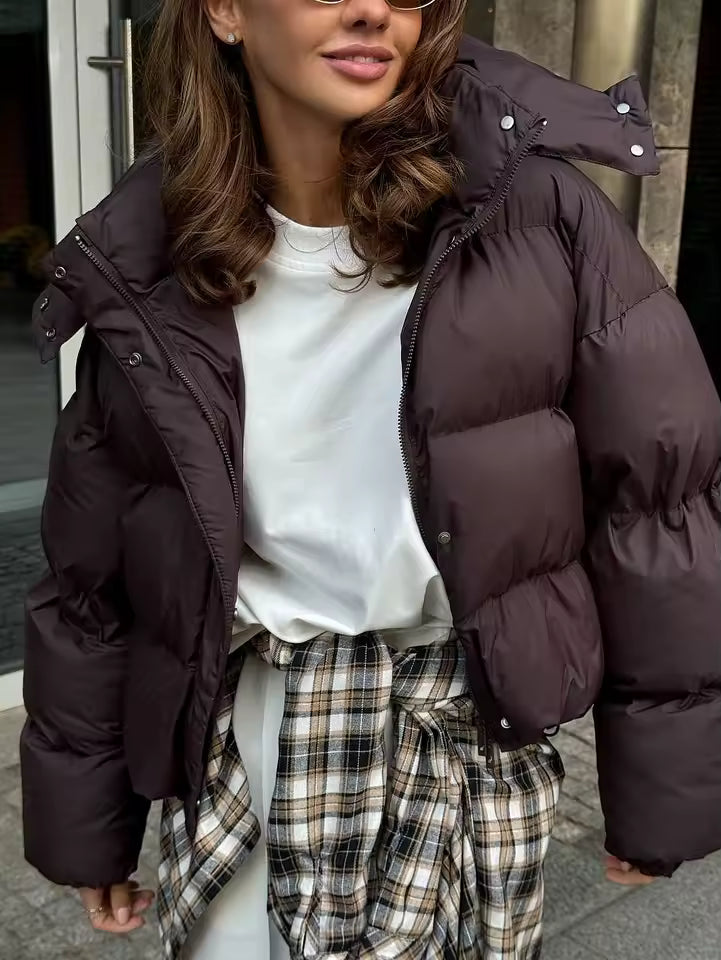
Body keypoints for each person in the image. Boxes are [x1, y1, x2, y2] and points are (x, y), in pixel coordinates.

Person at [20, 1, 721, 958]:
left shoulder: (535, 216)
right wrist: (86, 819)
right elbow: (91, 568)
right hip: (248, 745)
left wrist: (663, 791)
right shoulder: (145, 250)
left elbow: (658, 508)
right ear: (224, 11)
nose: (368, 7)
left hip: (459, 746)